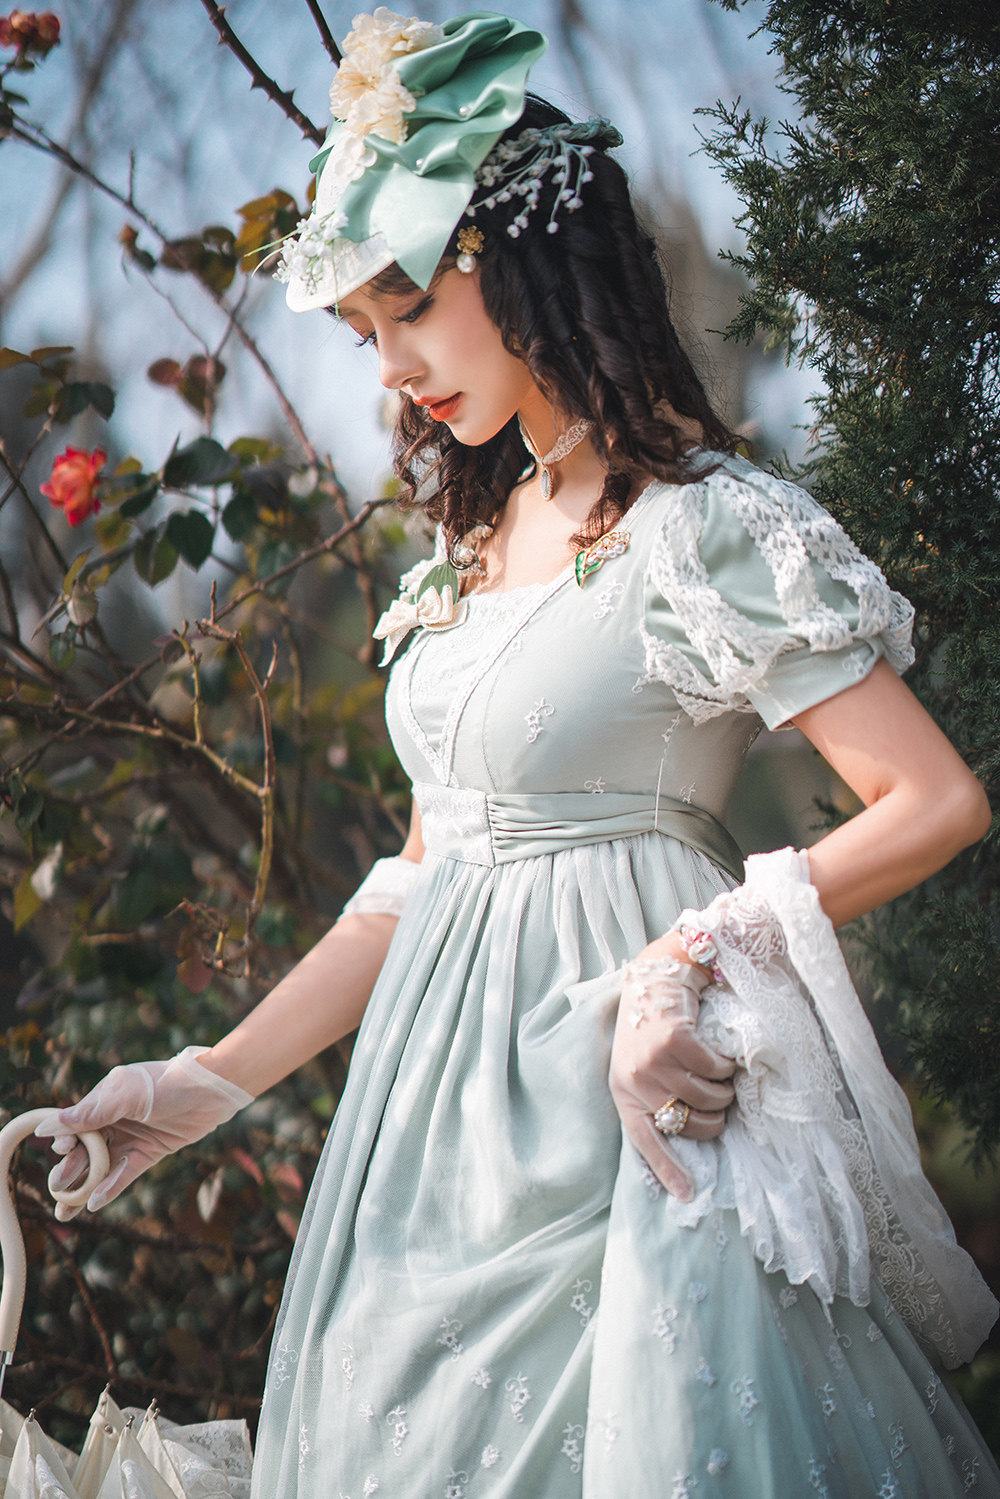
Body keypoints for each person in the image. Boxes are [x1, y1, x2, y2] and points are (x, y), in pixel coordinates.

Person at [36, 10, 1000, 1497]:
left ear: (527, 259)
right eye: (364, 335)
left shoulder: (704, 528)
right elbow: (418, 881)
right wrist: (202, 1086)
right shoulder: (462, 560)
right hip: (428, 1153)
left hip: (636, 1114)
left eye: (410, 307)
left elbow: (931, 800)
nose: (392, 369)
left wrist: (692, 953)